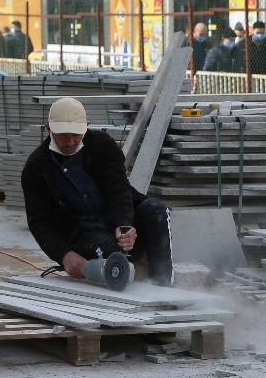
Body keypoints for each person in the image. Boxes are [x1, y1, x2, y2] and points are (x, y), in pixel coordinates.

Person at [21, 97, 175, 286]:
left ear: (86, 126)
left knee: (156, 210)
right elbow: (40, 223)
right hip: (84, 237)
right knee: (108, 252)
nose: (70, 142)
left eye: (76, 135)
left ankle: (163, 285)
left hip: (117, 225)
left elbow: (119, 188)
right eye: (62, 135)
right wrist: (64, 255)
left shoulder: (102, 145)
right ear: (48, 129)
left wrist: (124, 224)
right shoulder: (36, 167)